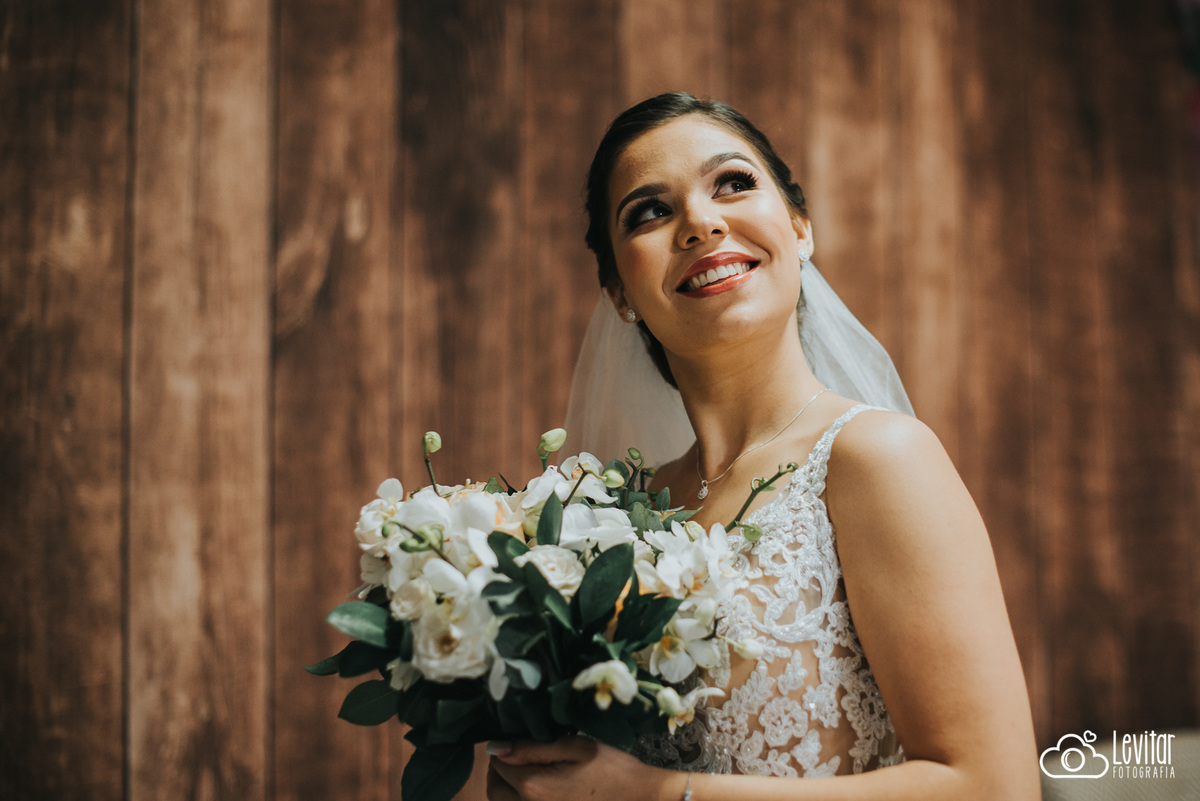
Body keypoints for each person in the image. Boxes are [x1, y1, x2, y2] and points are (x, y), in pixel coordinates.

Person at [486, 93, 1039, 801]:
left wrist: (659, 795)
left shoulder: (878, 459)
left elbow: (994, 786)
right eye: (649, 211)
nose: (700, 223)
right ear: (619, 293)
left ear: (800, 227)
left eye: (734, 183)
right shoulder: (615, 520)